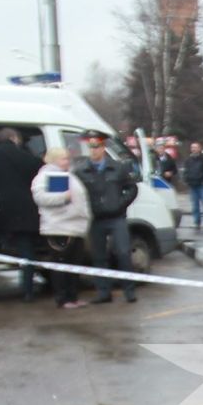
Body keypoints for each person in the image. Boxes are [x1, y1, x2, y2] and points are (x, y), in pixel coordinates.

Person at [72, 128, 139, 304]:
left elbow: (132, 188)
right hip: (96, 219)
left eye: (97, 146)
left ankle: (129, 291)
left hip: (116, 218)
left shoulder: (118, 168)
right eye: (91, 147)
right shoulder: (81, 171)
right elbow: (77, 193)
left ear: (103, 148)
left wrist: (121, 203)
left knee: (123, 253)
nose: (94, 150)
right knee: (98, 256)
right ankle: (103, 292)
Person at [0, 127, 43, 301]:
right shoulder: (24, 156)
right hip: (25, 211)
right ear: (15, 138)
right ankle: (28, 290)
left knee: (6, 244)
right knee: (27, 251)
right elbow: (41, 170)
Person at [33, 145, 90, 309]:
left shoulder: (67, 175)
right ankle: (63, 298)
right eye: (64, 158)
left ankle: (72, 297)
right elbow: (51, 200)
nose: (68, 161)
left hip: (74, 227)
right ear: (54, 160)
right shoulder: (51, 176)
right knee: (62, 264)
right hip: (61, 228)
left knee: (74, 265)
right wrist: (64, 197)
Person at [183, 142, 203, 231]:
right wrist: (186, 180)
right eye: (192, 147)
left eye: (195, 147)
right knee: (195, 205)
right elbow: (185, 171)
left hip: (202, 185)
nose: (193, 149)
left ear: (199, 148)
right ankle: (196, 222)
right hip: (192, 185)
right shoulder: (188, 160)